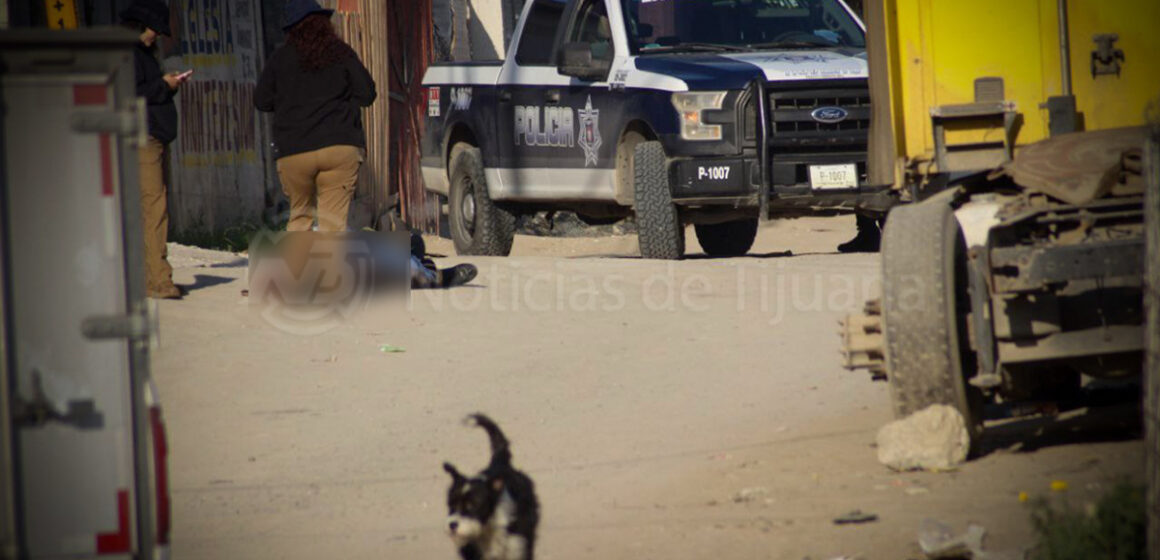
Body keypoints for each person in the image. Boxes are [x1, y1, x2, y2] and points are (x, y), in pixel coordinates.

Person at [254, 0, 376, 233]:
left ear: (291, 30)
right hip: (339, 146)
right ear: (323, 24)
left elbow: (261, 101)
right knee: (333, 225)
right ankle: (330, 269)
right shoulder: (341, 53)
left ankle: (300, 269)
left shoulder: (280, 59)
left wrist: (288, 103)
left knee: (299, 218)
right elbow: (367, 93)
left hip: (295, 150)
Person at [121, 0, 190, 299]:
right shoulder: (127, 54)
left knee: (149, 208)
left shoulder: (142, 53)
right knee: (154, 207)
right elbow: (129, 93)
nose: (157, 36)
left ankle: (148, 277)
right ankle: (158, 280)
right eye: (154, 30)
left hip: (152, 135)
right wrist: (165, 85)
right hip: (142, 136)